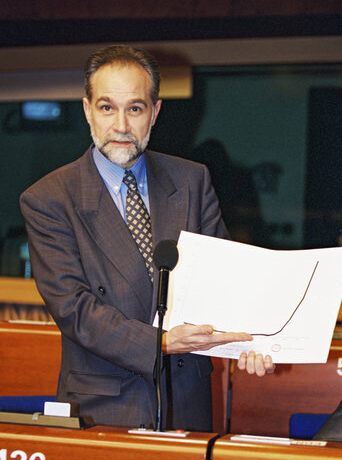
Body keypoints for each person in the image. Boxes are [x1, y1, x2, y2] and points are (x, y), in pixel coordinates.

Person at [20, 45, 274, 431]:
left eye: (135, 108)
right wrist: (163, 342)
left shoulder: (192, 181)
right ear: (87, 110)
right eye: (107, 108)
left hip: (187, 402)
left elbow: (224, 284)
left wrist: (251, 342)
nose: (121, 125)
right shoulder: (49, 199)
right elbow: (75, 311)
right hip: (103, 408)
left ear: (154, 113)